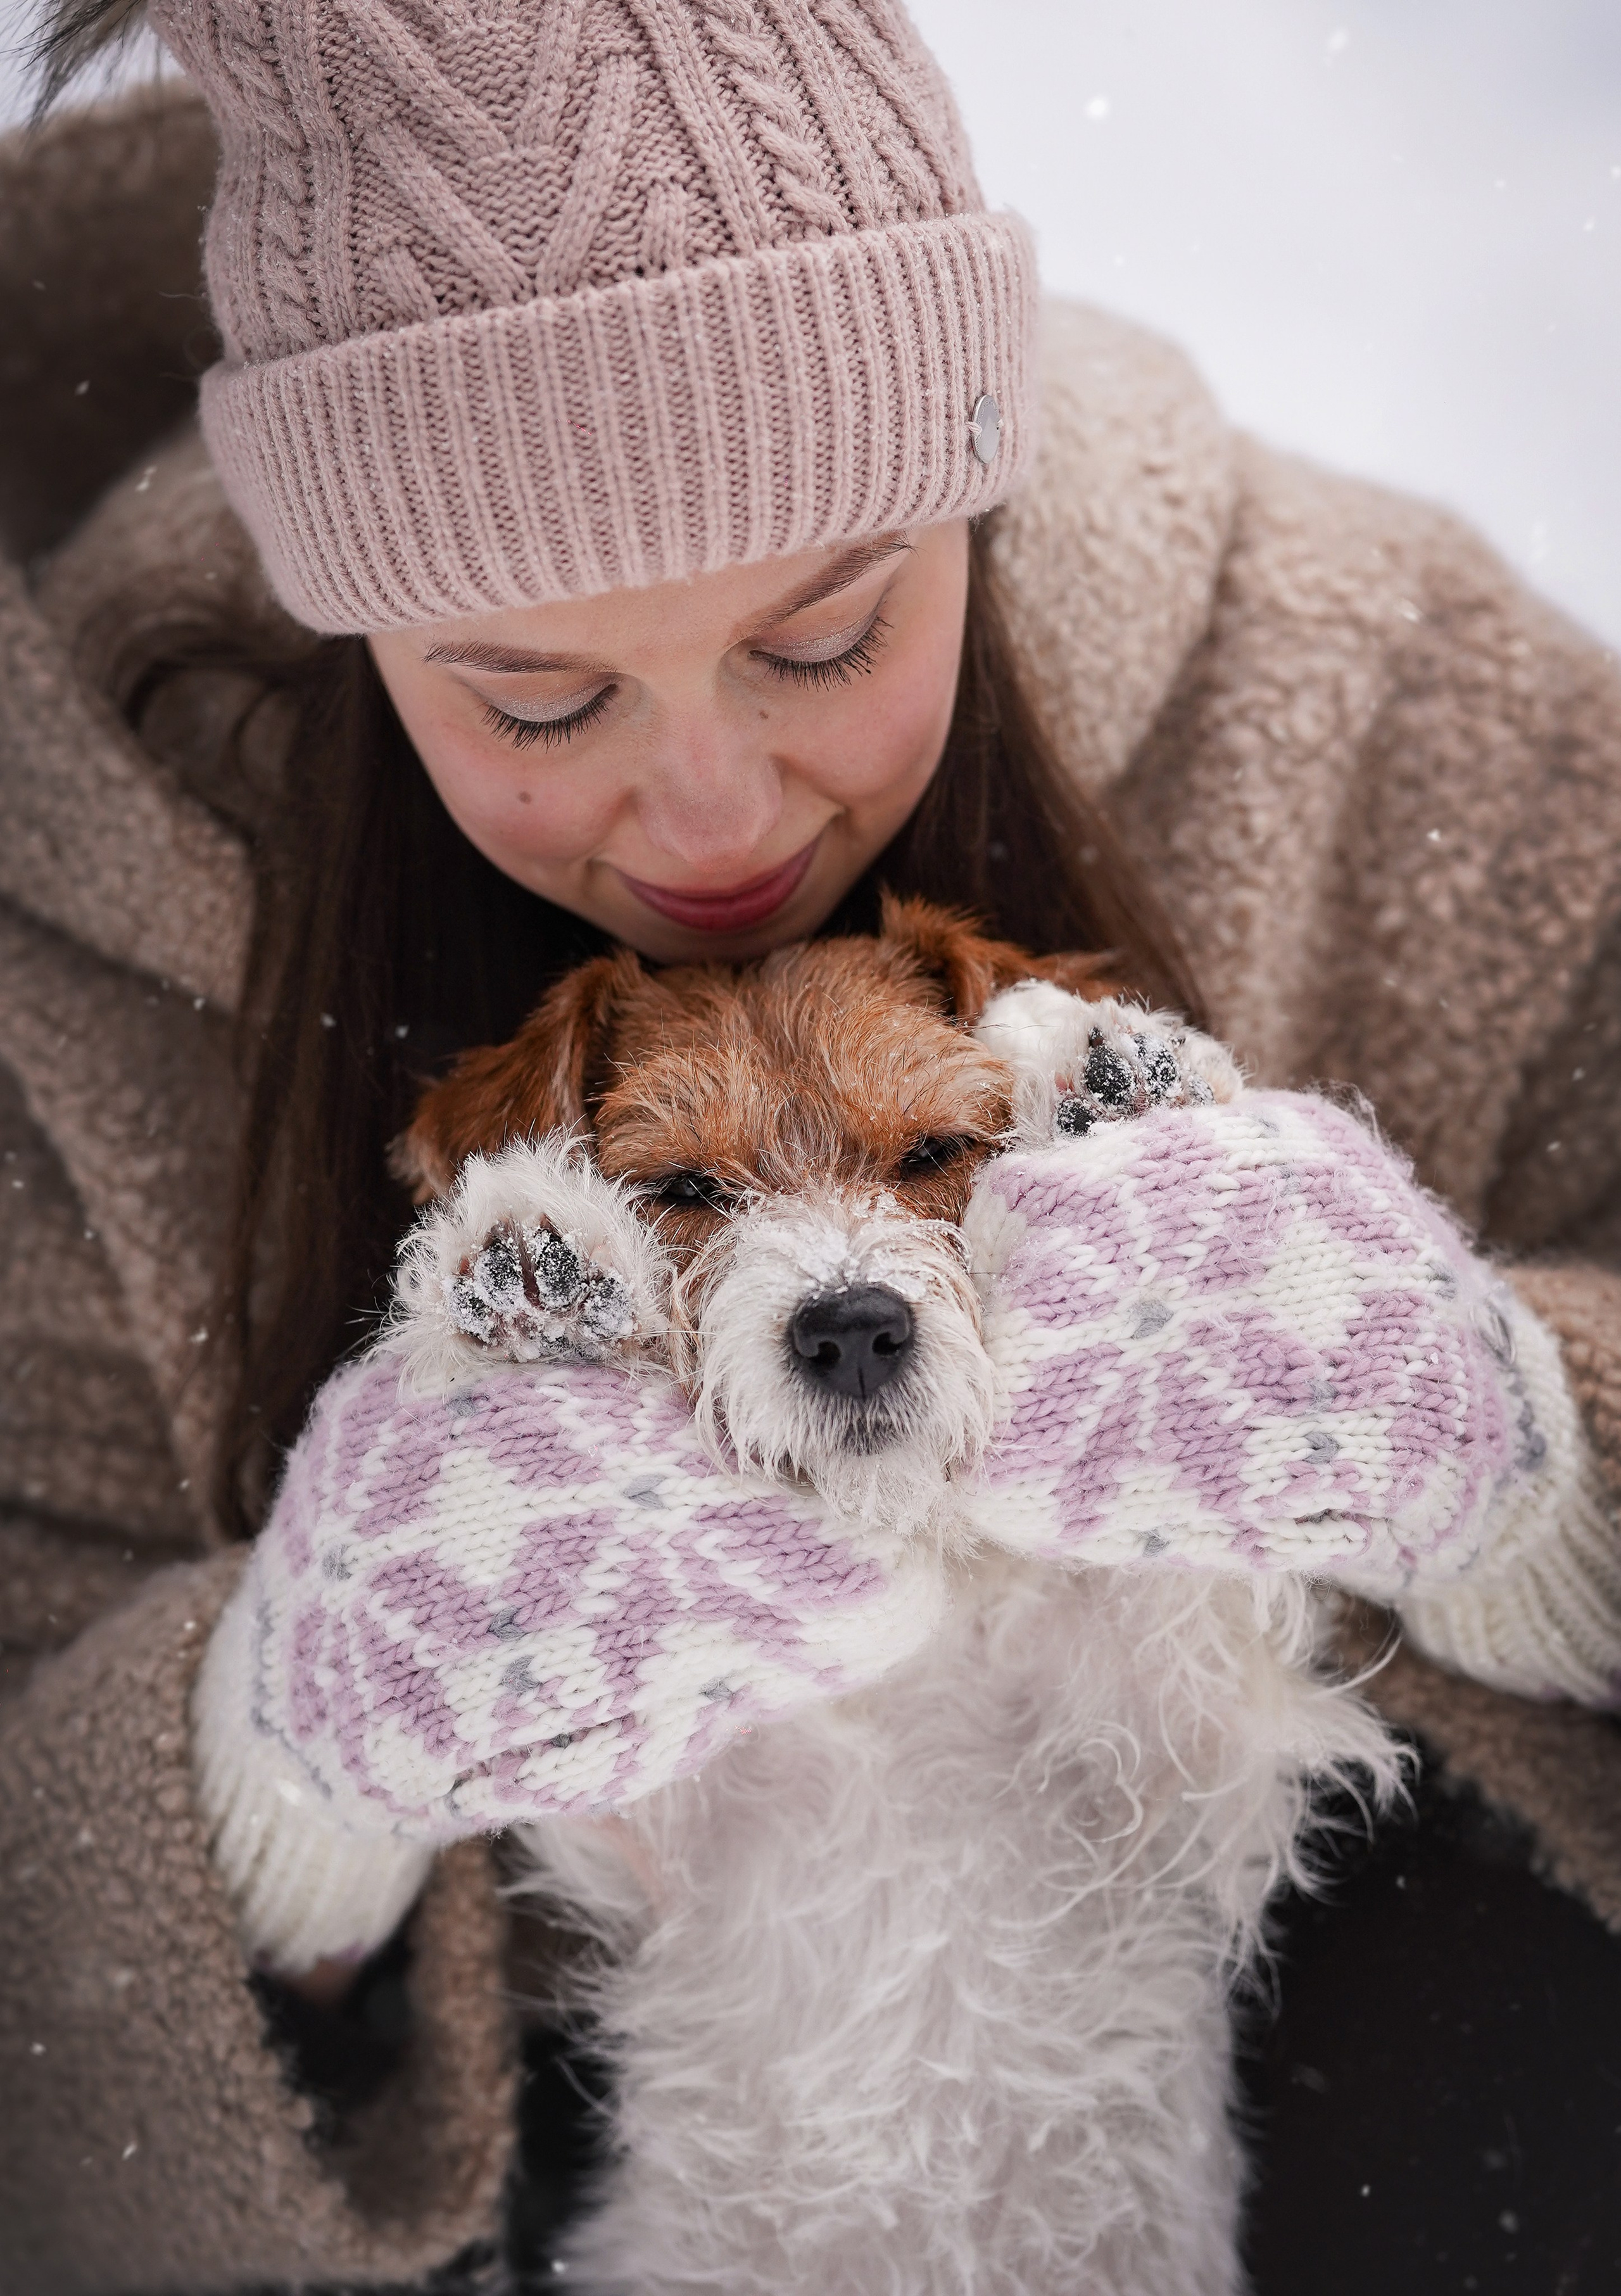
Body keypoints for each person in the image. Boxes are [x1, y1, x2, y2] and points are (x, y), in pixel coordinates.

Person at [2, 2, 1620, 2289]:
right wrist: (270, 1784)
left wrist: (1535, 1460)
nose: (714, 809)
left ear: (972, 480)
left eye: (827, 630)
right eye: (542, 694)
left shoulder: (1400, 699)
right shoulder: (61, 946)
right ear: (357, 641)